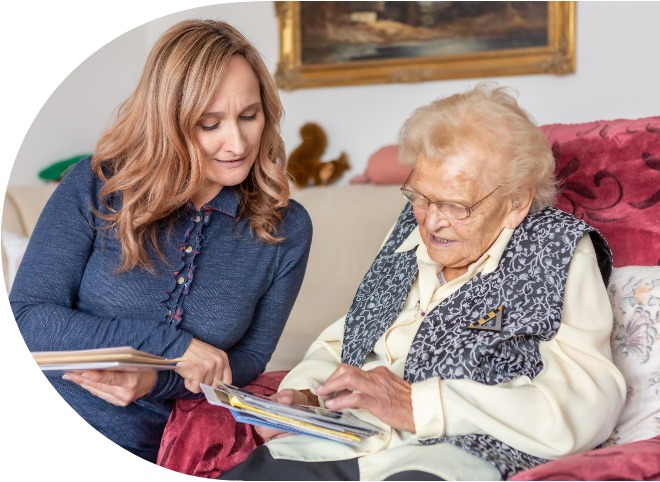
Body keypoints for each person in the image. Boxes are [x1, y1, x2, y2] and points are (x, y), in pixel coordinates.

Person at [219, 84, 626, 481]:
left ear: (516, 201)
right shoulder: (409, 232)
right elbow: (350, 337)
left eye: (454, 205)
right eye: (421, 196)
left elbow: (589, 402)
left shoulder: (558, 249)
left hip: (449, 458)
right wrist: (307, 396)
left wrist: (423, 405)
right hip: (345, 441)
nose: (431, 221)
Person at [10, 19, 312, 463]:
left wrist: (156, 381)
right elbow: (26, 319)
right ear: (168, 121)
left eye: (250, 115)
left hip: (160, 448)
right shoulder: (97, 185)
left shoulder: (286, 228)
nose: (238, 141)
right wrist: (168, 347)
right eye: (211, 124)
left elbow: (247, 359)